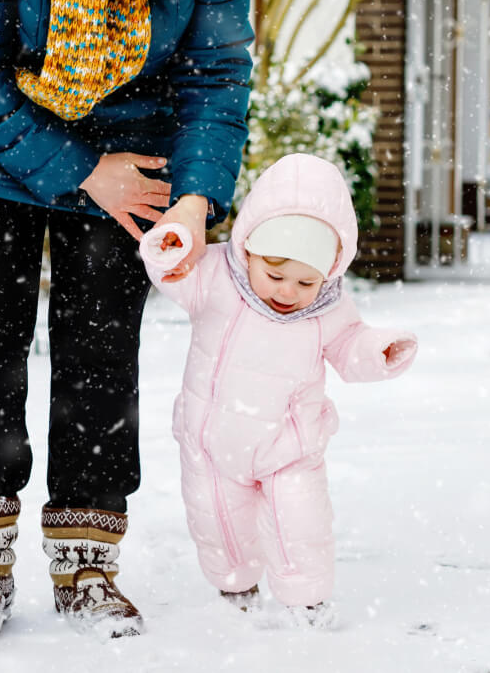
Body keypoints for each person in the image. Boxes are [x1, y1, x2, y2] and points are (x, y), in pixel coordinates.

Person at [0, 0, 253, 641]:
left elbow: (216, 73)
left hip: (130, 140)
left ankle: (86, 560)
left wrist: (194, 199)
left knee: (102, 345)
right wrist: (83, 168)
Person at [138, 153, 418, 626]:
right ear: (249, 251)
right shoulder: (216, 276)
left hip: (289, 444)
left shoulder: (328, 307)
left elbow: (350, 344)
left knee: (302, 525)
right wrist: (167, 248)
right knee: (218, 523)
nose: (288, 291)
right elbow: (172, 273)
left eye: (306, 281)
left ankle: (307, 600)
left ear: (328, 272)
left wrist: (377, 350)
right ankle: (235, 583)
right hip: (212, 441)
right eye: (275, 275)